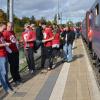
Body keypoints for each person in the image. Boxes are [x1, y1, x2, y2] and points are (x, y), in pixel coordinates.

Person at [0, 23, 13, 93]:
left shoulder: (1, 34)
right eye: (4, 28)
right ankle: (6, 88)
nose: (4, 30)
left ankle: (8, 85)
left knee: (6, 72)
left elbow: (3, 41)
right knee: (3, 72)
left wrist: (6, 44)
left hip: (4, 54)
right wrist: (5, 44)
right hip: (0, 56)